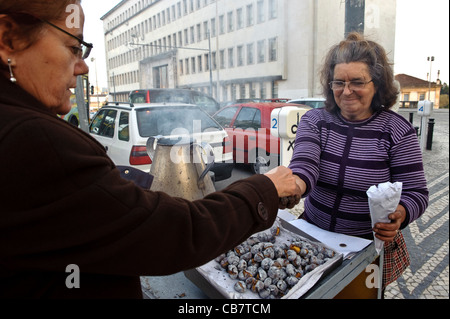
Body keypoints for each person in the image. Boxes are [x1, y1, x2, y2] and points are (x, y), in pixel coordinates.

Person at [0, 0, 301, 298]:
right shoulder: (31, 136)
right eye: (73, 47)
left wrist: (126, 182)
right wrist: (265, 188)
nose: (82, 66)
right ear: (9, 39)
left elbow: (78, 204)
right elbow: (176, 234)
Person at [288, 32, 429, 292]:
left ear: (377, 84)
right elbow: (304, 165)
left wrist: (401, 214)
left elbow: (416, 192)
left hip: (366, 248)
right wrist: (292, 186)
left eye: (357, 82)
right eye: (339, 82)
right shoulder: (315, 121)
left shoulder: (398, 131)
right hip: (314, 237)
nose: (347, 91)